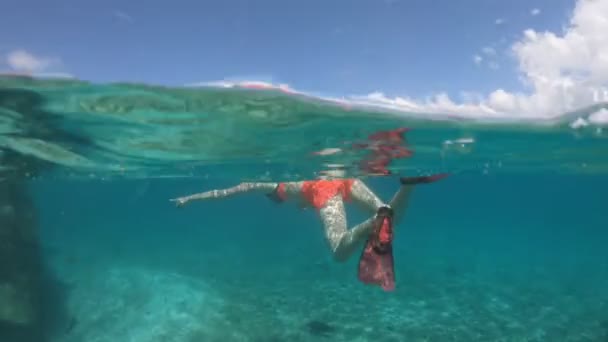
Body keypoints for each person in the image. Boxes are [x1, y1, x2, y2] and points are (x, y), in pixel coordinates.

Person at [170, 173, 448, 291]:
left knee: (340, 251)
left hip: (324, 190)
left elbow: (231, 192)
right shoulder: (291, 190)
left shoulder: (274, 185)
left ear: (276, 195)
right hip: (346, 179)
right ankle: (409, 184)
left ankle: (372, 224)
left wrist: (190, 198)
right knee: (391, 215)